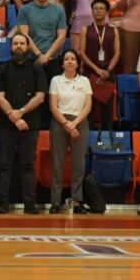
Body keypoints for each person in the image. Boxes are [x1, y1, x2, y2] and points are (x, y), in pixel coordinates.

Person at [0, 32, 47, 214]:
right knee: (4, 164)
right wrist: (13, 116)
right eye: (15, 43)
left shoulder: (37, 69)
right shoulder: (2, 69)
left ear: (28, 47)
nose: (18, 47)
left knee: (27, 165)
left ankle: (29, 203)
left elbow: (40, 97)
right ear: (11, 46)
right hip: (6, 125)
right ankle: (2, 203)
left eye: (22, 44)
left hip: (30, 124)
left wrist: (21, 112)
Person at [48, 49, 92, 213]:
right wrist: (66, 123)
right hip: (59, 122)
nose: (70, 61)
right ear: (62, 64)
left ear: (78, 63)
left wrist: (74, 124)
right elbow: (53, 106)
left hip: (79, 121)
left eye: (73, 59)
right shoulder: (56, 80)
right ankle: (55, 202)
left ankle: (76, 201)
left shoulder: (85, 81)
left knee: (78, 164)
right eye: (66, 59)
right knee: (57, 163)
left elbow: (88, 107)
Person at [80, 0, 120, 132]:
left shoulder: (113, 30)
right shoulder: (86, 29)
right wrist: (97, 70)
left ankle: (107, 137)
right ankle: (88, 136)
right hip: (90, 73)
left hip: (108, 73)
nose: (98, 11)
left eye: (101, 8)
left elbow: (117, 53)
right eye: (95, 9)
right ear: (92, 11)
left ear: (107, 12)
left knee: (107, 109)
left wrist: (107, 70)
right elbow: (82, 53)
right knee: (89, 108)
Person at [16, 0, 67, 79]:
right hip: (31, 59)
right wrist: (39, 55)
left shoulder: (59, 11)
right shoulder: (24, 10)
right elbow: (24, 35)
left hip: (52, 60)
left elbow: (61, 37)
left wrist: (46, 56)